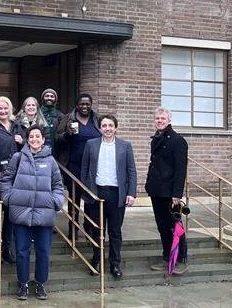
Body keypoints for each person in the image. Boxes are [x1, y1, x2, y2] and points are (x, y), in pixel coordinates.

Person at [0, 125, 64, 301]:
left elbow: (58, 185)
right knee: (21, 251)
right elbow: (6, 180)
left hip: (44, 215)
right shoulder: (18, 158)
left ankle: (41, 283)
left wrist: (56, 201)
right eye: (32, 137)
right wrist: (9, 198)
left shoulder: (51, 161)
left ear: (43, 140)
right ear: (28, 140)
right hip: (21, 213)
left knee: (43, 251)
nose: (35, 139)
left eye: (38, 137)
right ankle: (23, 284)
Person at [80, 114, 137, 278]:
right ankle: (96, 260)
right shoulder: (91, 144)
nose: (107, 129)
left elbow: (131, 171)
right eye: (104, 126)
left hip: (116, 193)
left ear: (115, 128)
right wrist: (86, 191)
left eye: (110, 125)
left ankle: (115, 263)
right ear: (100, 128)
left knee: (115, 231)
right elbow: (84, 170)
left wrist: (131, 193)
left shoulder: (125, 146)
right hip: (97, 193)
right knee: (97, 229)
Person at [145, 107, 189, 274]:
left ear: (169, 120)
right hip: (157, 190)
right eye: (157, 118)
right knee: (162, 226)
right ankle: (167, 257)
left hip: (170, 193)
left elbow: (180, 169)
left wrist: (177, 194)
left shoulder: (177, 141)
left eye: (163, 118)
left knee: (174, 225)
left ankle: (181, 258)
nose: (160, 121)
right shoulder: (156, 138)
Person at [56, 93, 102, 236]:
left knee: (91, 196)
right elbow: (57, 138)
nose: (84, 106)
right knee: (74, 197)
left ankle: (89, 226)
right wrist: (67, 135)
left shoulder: (97, 119)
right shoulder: (68, 118)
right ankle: (73, 227)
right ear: (77, 105)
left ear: (91, 105)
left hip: (93, 166)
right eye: (82, 104)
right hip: (73, 165)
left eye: (87, 104)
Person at [0, 96, 25, 264]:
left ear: (11, 109)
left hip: (16, 177)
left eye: (5, 108)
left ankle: (7, 248)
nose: (3, 111)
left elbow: (29, 149)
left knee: (11, 215)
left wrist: (22, 142)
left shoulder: (19, 127)